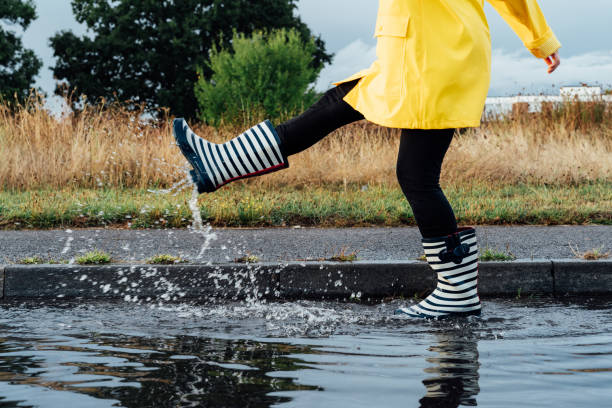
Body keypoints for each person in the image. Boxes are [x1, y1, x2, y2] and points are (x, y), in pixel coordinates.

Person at [173, 0, 561, 318]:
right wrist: (540, 40)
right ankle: (223, 163)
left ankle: (457, 293)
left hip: (430, 54)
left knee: (415, 174)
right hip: (426, 52)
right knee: (342, 108)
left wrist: (541, 39)